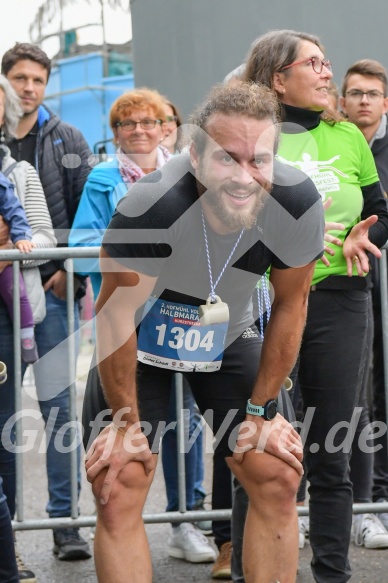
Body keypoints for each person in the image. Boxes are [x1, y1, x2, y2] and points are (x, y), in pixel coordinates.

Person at [82, 80, 325, 583]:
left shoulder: (296, 202)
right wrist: (126, 424)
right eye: (226, 159)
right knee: (119, 478)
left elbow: (290, 305)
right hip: (139, 339)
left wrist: (263, 412)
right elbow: (116, 317)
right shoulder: (150, 205)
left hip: (228, 333)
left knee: (276, 471)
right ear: (194, 156)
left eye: (258, 159)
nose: (243, 175)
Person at [241, 29, 388, 583]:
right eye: (315, 64)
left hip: (341, 301)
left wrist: (362, 238)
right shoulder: (253, 135)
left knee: (333, 446)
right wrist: (284, 238)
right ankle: (248, 570)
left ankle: (333, 574)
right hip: (268, 303)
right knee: (260, 448)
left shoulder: (347, 134)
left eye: (328, 63)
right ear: (279, 79)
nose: (329, 73)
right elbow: (228, 219)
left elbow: (379, 210)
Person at [70, 88, 217, 562]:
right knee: (128, 421)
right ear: (115, 133)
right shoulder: (102, 177)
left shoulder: (188, 171)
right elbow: (83, 240)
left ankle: (185, 520)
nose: (138, 131)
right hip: (128, 313)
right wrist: (137, 244)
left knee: (187, 420)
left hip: (186, 311)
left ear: (164, 127)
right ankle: (127, 522)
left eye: (147, 122)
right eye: (127, 124)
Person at [1, 42, 92, 563]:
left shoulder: (67, 138)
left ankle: (66, 525)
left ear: (47, 83)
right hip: (3, 294)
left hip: (53, 292)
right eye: (19, 77)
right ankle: (5, 533)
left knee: (58, 410)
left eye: (38, 79)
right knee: (2, 413)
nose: (28, 87)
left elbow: (84, 215)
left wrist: (64, 272)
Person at [0, 67, 56, 583]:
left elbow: (41, 237)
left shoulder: (17, 173)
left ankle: (5, 547)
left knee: (1, 436)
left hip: (5, 315)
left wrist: (5, 246)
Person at [340, 58, 388, 544]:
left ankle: (376, 501)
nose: (363, 101)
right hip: (347, 292)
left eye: (372, 94)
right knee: (348, 400)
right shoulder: (333, 147)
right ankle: (343, 505)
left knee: (380, 398)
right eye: (355, 92)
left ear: (385, 102)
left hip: (379, 292)